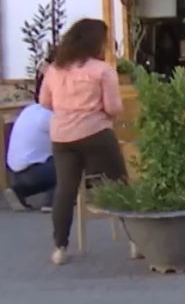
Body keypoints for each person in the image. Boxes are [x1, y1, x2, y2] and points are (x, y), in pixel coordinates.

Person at [38, 19, 129, 266]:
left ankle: (60, 247)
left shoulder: (55, 70)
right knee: (119, 183)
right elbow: (113, 107)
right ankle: (136, 240)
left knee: (65, 190)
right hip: (95, 132)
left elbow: (45, 102)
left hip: (62, 136)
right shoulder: (102, 70)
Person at [4, 62, 55, 211]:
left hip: (14, 174)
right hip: (33, 174)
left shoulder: (29, 109)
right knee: (69, 159)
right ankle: (53, 201)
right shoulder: (50, 116)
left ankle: (18, 191)